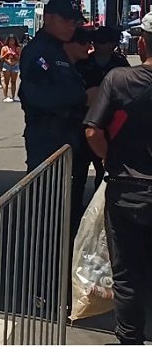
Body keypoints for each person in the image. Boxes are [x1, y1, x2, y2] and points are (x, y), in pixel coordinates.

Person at [84, 10, 152, 345]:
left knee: (127, 275)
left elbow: (93, 130)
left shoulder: (119, 79)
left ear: (141, 42)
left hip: (126, 189)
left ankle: (130, 339)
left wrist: (109, 158)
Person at [19, 0, 87, 172]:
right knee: (45, 194)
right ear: (48, 18)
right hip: (46, 136)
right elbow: (35, 96)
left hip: (65, 134)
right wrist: (83, 97)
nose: (71, 27)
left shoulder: (58, 49)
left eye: (74, 22)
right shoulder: (38, 51)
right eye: (65, 20)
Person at [75, 26, 130, 189]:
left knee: (105, 172)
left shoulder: (120, 63)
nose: (100, 45)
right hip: (83, 120)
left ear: (113, 43)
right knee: (78, 173)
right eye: (97, 41)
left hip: (110, 123)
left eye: (105, 41)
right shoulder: (83, 62)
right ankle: (75, 210)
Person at [62, 27, 97, 237]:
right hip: (67, 132)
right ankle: (70, 218)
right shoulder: (63, 67)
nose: (89, 47)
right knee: (73, 179)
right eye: (83, 43)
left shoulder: (84, 66)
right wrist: (83, 97)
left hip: (89, 129)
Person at [0, 35, 22, 102]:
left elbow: (20, 58)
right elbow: (1, 58)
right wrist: (7, 54)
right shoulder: (4, 48)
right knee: (6, 82)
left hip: (15, 65)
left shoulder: (17, 48)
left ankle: (13, 96)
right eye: (10, 40)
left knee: (13, 81)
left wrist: (14, 55)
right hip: (7, 65)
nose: (11, 42)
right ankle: (5, 96)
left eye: (13, 40)